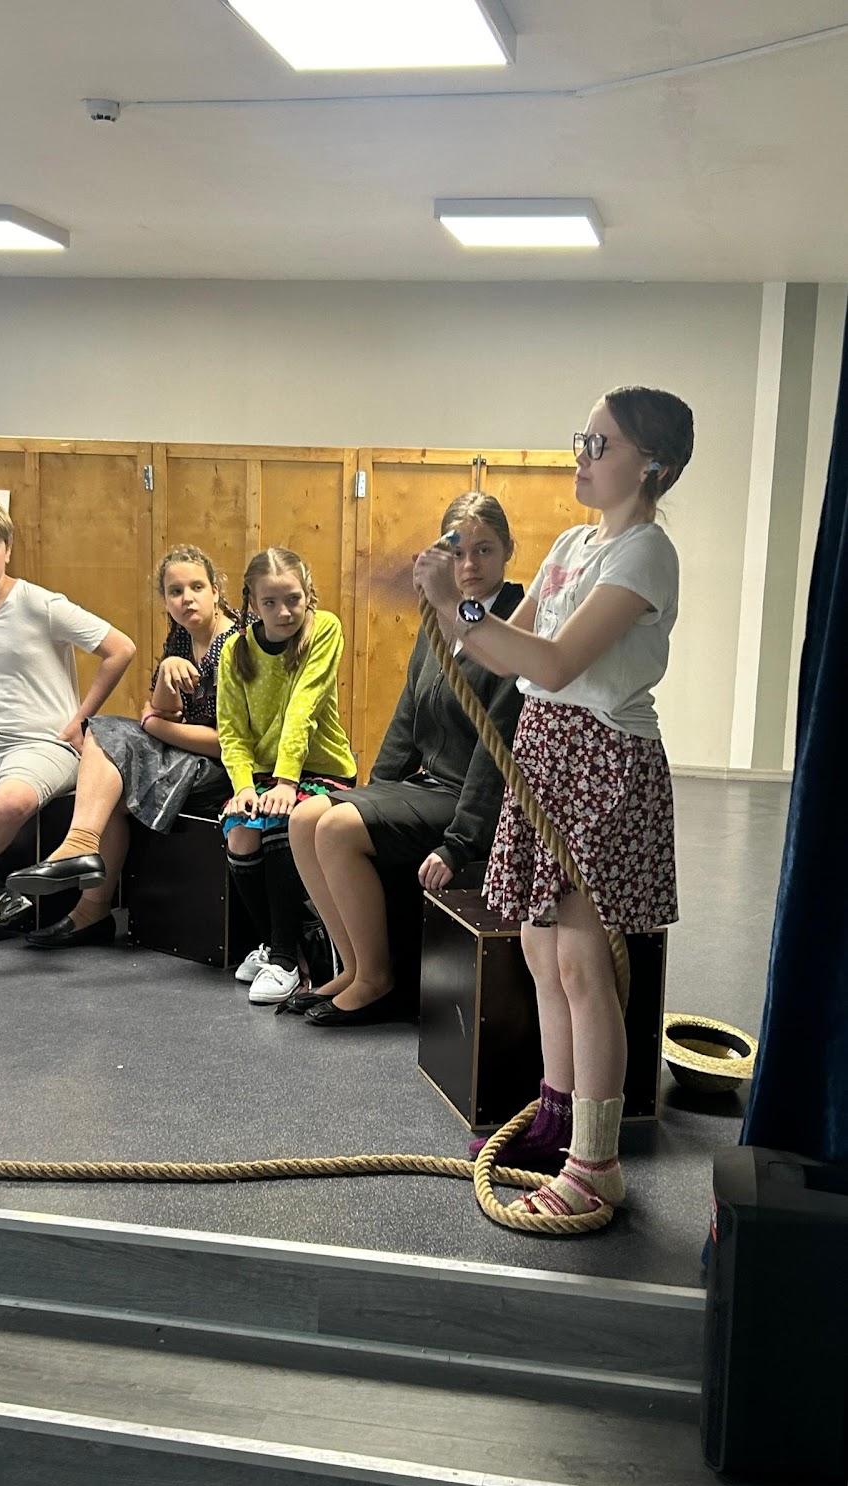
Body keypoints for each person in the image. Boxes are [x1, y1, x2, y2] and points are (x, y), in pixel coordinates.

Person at [415, 387, 694, 1219]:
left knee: (580, 962)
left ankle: (595, 1164)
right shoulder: (573, 542)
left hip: (602, 759)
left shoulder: (645, 553)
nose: (582, 454)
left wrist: (455, 605)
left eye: (601, 444)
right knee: (539, 949)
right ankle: (559, 1119)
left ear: (651, 465)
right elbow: (508, 652)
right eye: (584, 438)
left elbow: (559, 661)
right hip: (543, 754)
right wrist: (456, 609)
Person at [288, 491, 524, 1027]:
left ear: (509, 549)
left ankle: (377, 978)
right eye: (458, 553)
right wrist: (370, 795)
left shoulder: (514, 624)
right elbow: (407, 717)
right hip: (427, 786)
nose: (470, 565)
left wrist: (460, 843)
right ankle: (352, 966)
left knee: (337, 830)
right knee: (306, 820)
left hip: (472, 803)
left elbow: (498, 747)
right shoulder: (438, 620)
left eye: (484, 550)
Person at [6, 545, 239, 948]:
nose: (186, 598)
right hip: (188, 755)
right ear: (165, 601)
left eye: (197, 587)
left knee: (109, 737)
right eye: (175, 591)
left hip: (230, 771)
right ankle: (91, 908)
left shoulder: (238, 644)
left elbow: (231, 744)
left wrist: (155, 726)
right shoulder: (182, 639)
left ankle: (80, 850)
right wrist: (166, 675)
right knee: (108, 758)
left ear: (216, 591)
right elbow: (162, 710)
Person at [0, 496, 135, 949]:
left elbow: (120, 648)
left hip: (44, 743)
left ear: (7, 550)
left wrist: (79, 721)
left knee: (11, 802)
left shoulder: (40, 603)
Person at [216, 546, 357, 1005]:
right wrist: (242, 787)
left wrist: (286, 783)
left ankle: (281, 961)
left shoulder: (324, 629)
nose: (284, 612)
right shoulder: (236, 650)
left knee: (280, 819)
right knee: (240, 829)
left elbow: (303, 707)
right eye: (270, 602)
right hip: (263, 774)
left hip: (320, 769)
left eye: (293, 599)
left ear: (308, 593)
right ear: (252, 603)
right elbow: (231, 730)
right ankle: (283, 949)